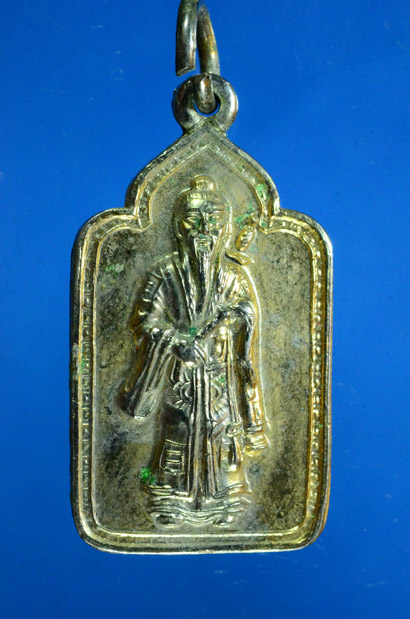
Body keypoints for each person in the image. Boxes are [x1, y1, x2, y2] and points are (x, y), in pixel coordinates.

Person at [119, 176, 267, 527]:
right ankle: (171, 499)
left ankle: (225, 499)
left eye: (213, 220)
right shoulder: (164, 273)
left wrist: (239, 317)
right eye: (194, 220)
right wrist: (176, 341)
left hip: (220, 381)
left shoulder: (233, 277)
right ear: (178, 227)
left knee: (221, 433)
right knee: (179, 432)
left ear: (224, 227)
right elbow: (143, 322)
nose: (204, 229)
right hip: (180, 381)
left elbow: (247, 318)